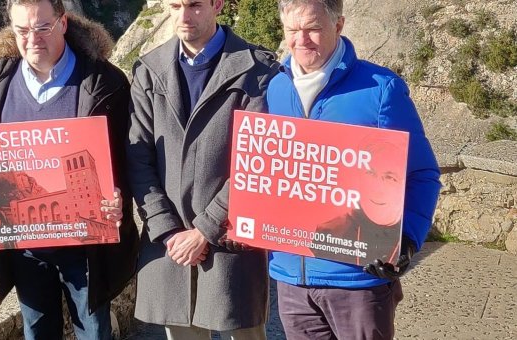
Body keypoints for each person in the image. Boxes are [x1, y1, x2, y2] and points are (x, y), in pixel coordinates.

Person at [0, 1, 139, 339]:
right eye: (22, 30)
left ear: (63, 23)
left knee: (94, 332)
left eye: (42, 28)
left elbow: (129, 159)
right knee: (37, 331)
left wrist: (119, 198)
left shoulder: (105, 82)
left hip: (87, 249)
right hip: (25, 249)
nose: (32, 39)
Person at [266, 0, 441, 339]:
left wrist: (407, 240)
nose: (301, 40)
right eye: (292, 30)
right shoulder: (273, 87)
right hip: (290, 280)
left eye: (313, 28)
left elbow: (422, 174)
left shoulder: (380, 88)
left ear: (339, 24)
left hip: (357, 279)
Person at [126, 0, 279, 339]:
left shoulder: (257, 70)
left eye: (194, 5)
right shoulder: (149, 70)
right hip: (171, 247)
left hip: (231, 242)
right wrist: (167, 230)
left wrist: (204, 231)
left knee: (246, 334)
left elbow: (258, 163)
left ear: (217, 4)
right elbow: (138, 158)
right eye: (175, 5)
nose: (183, 16)